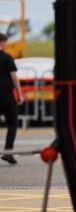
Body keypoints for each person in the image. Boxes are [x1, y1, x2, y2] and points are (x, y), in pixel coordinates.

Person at [0, 33, 23, 164]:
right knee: (12, 123)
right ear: (2, 42)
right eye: (5, 42)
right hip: (6, 95)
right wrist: (19, 94)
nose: (6, 44)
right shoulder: (7, 57)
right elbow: (14, 77)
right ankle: (8, 152)